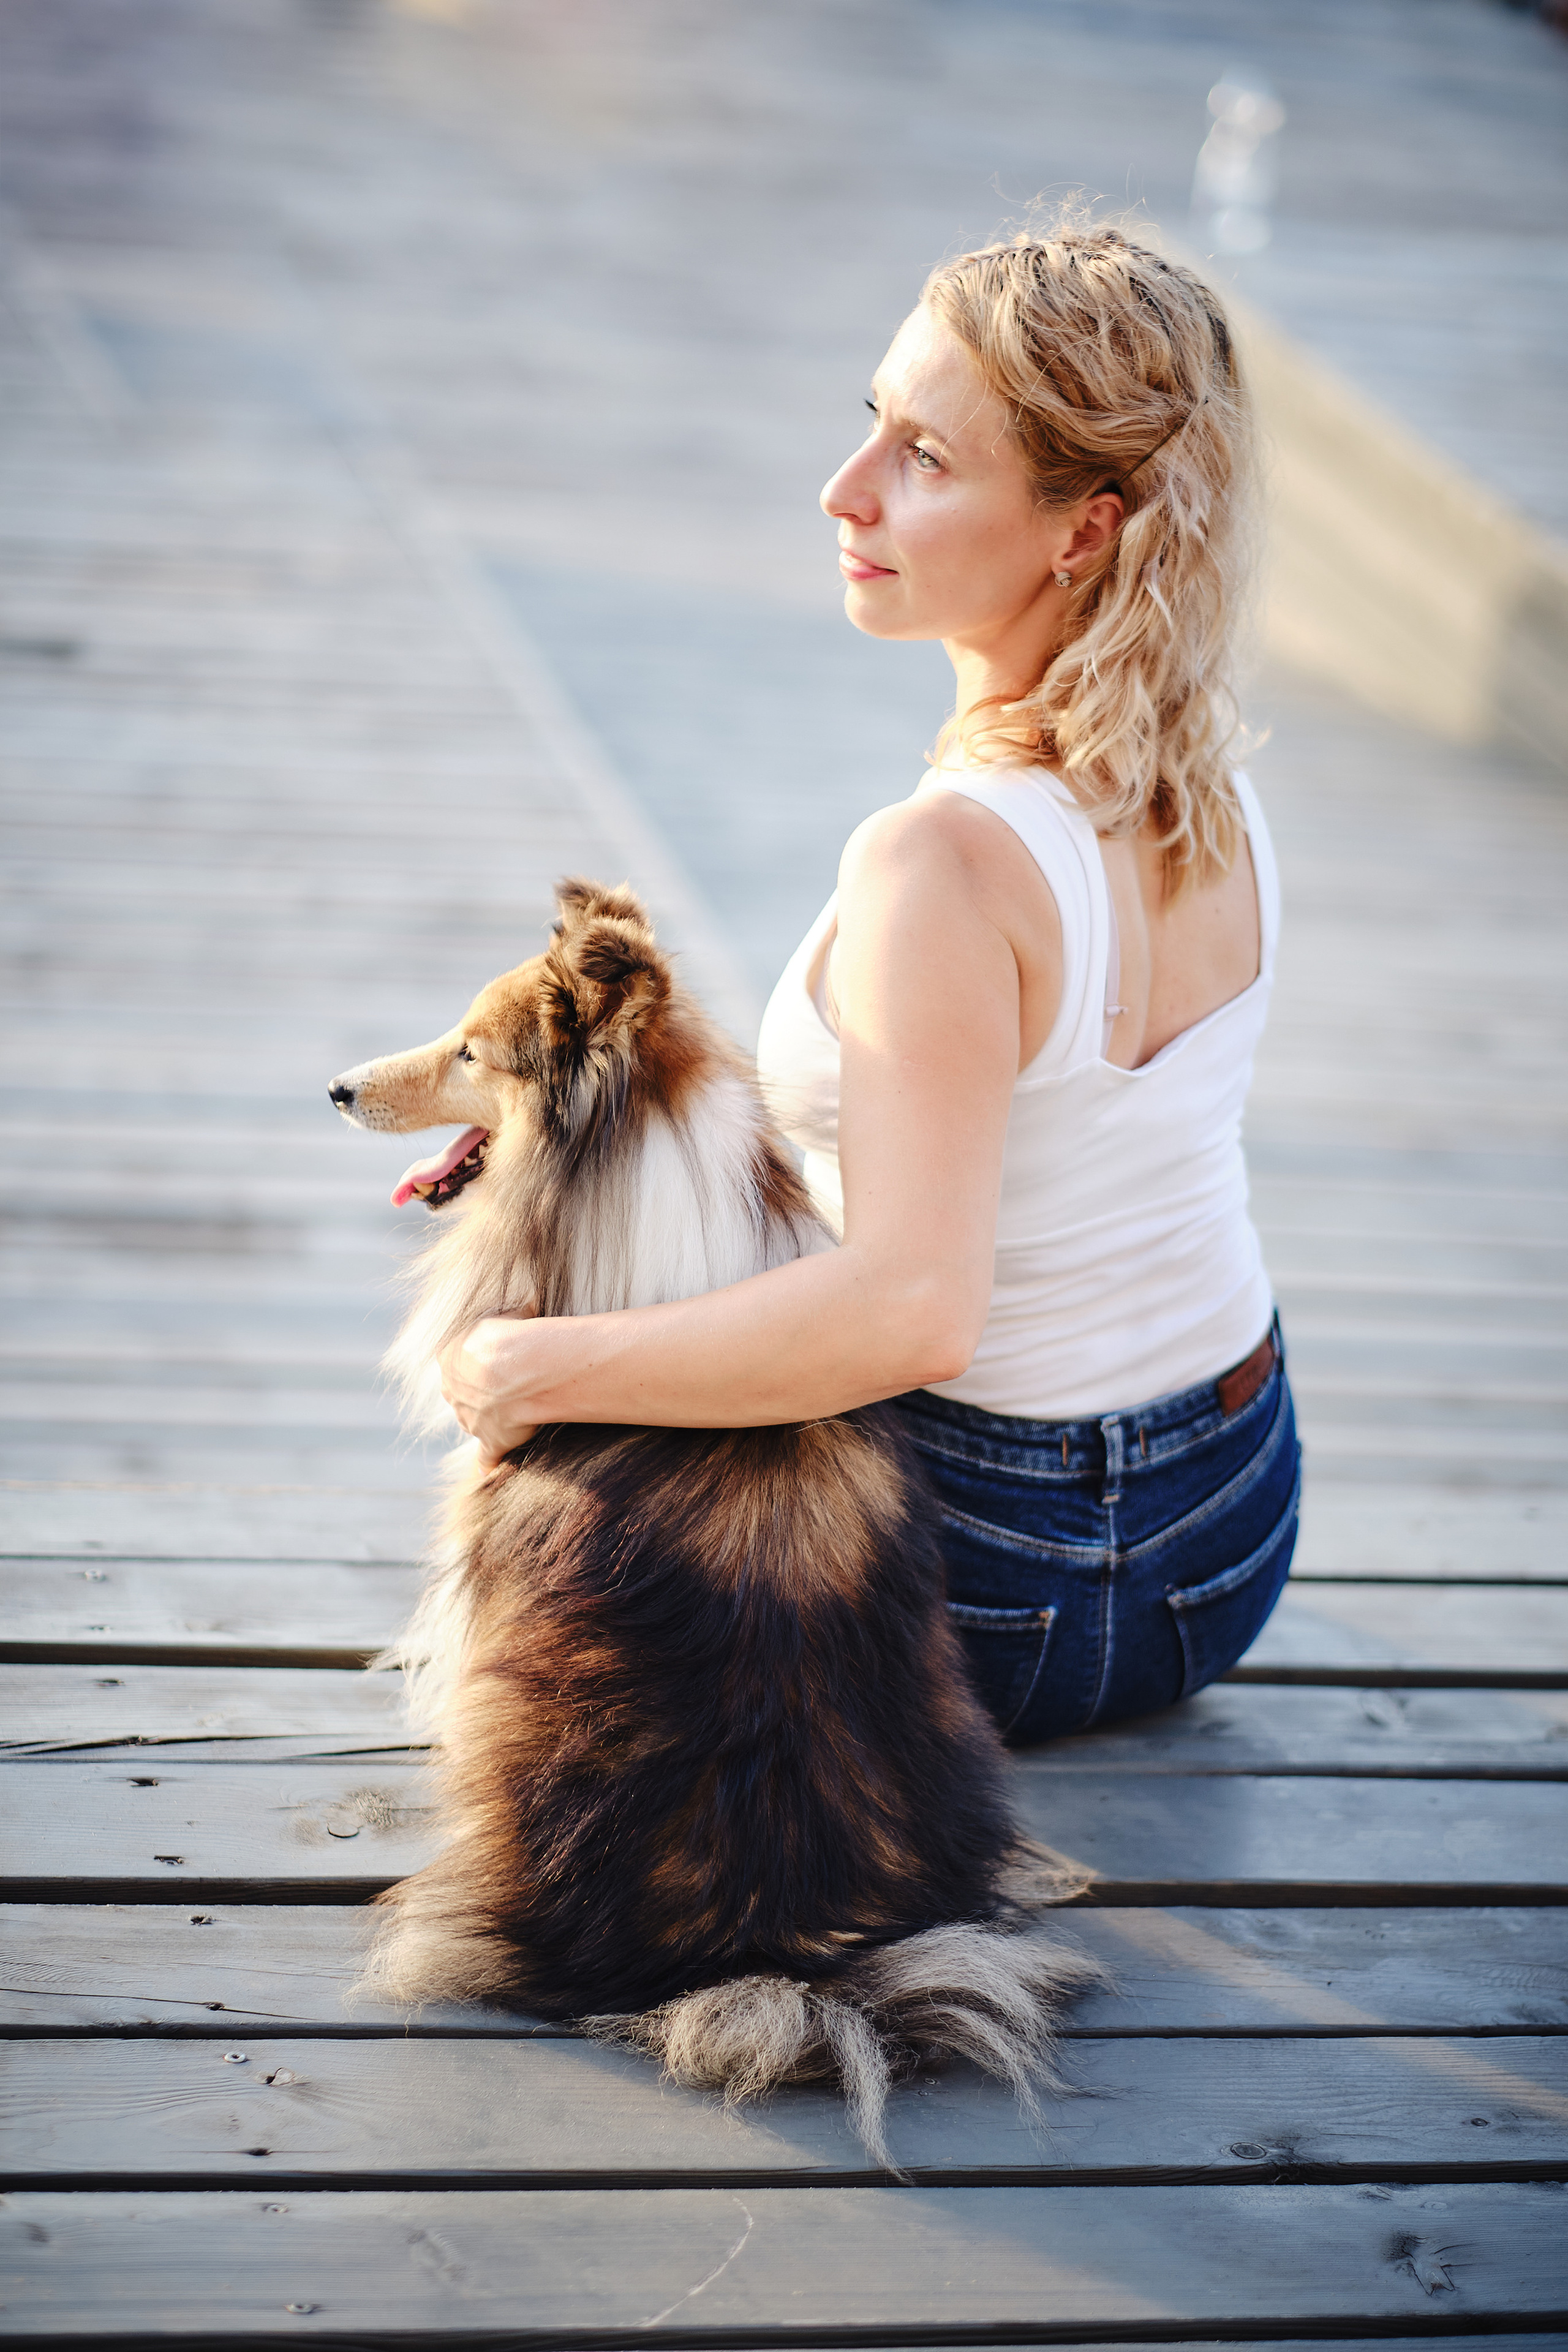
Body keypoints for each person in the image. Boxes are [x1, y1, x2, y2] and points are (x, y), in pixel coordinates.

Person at [436, 219, 1300, 1745]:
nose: (844, 494)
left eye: (922, 459)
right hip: (1231, 1533)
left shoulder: (937, 867)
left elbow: (912, 1312)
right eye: (868, 426)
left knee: (543, 1422)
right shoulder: (1210, 787)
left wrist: (531, 1369)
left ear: (1081, 530)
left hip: (994, 1587)